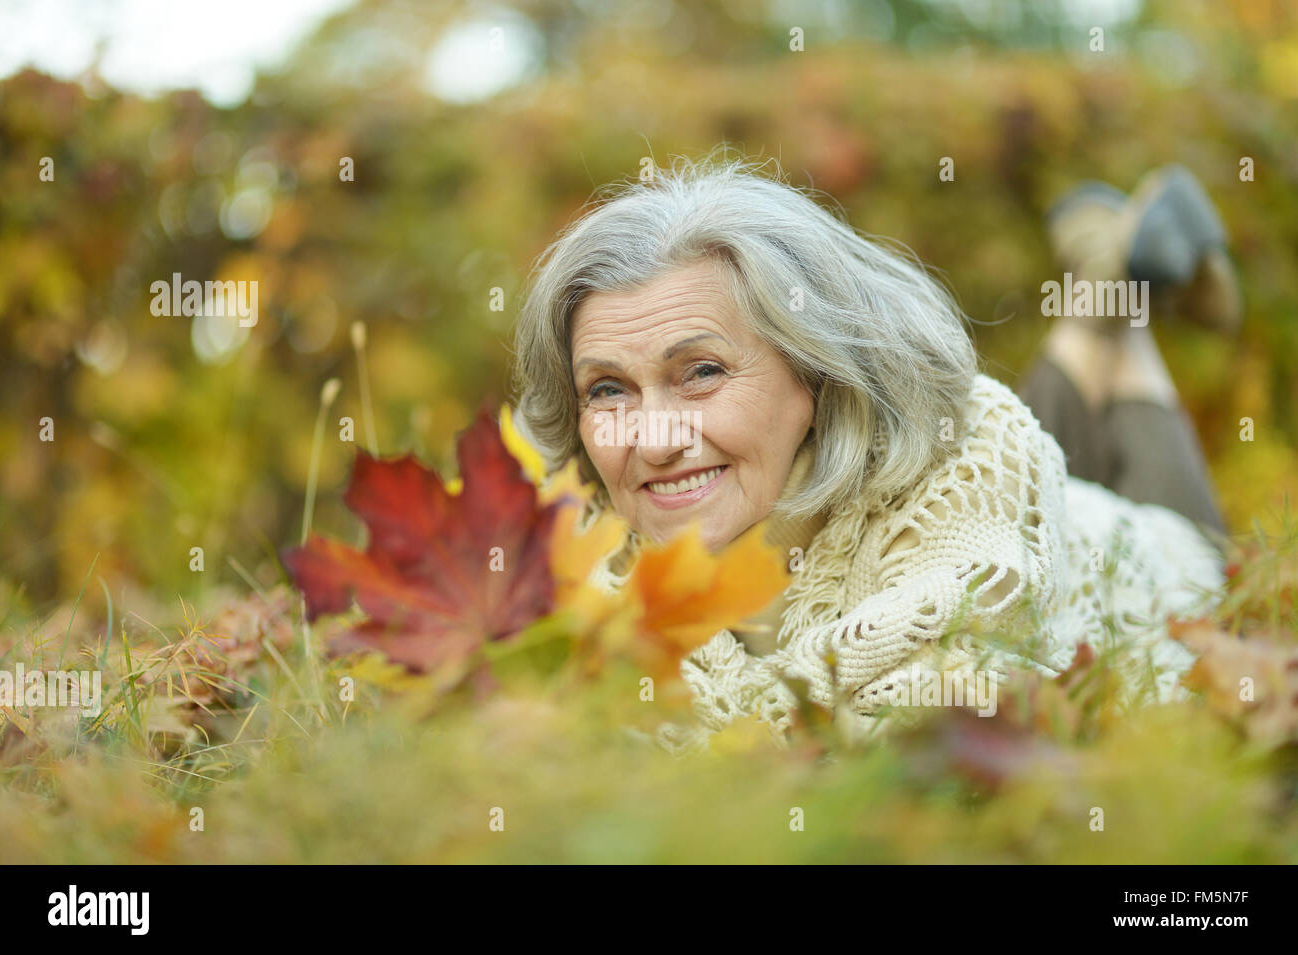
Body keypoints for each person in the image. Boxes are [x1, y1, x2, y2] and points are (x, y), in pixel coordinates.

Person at [510, 153, 1235, 752]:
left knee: (1199, 552)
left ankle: (1117, 314)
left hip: (1141, 559)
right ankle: (1103, 294)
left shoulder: (976, 456)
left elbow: (931, 733)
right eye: (607, 390)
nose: (654, 439)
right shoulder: (579, 568)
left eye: (701, 372)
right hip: (1033, 492)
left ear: (817, 372)